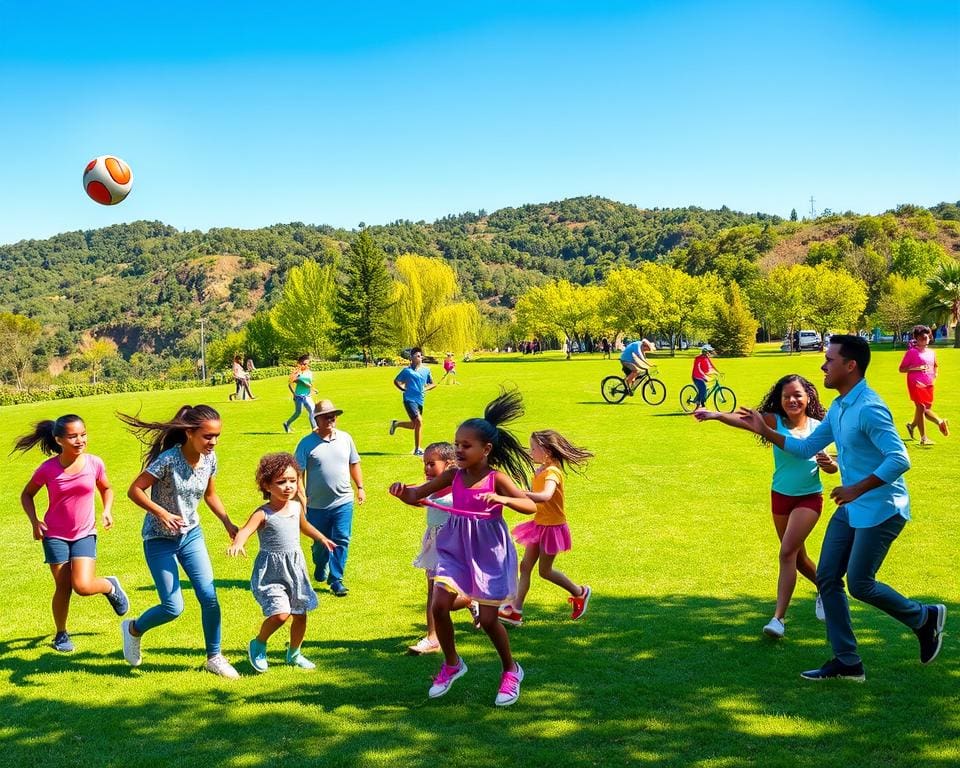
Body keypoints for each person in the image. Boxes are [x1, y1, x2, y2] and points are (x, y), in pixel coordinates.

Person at [738, 335, 946, 681]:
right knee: (827, 577)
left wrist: (855, 488)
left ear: (850, 366)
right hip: (852, 507)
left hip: (882, 508)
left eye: (829, 360)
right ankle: (847, 662)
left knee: (861, 584)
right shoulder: (839, 407)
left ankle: (923, 617)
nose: (823, 366)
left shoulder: (869, 408)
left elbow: (900, 459)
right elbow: (805, 449)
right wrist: (765, 430)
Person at [389, 388, 538, 707]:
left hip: (488, 551)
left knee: (489, 620)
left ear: (486, 449)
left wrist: (502, 499)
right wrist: (402, 492)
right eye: (457, 444)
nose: (458, 450)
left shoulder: (496, 478)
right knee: (439, 605)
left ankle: (511, 670)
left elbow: (530, 506)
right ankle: (452, 663)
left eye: (465, 445)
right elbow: (418, 495)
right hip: (455, 547)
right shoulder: (453, 475)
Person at [694, 375, 838, 638]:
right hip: (780, 497)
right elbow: (744, 421)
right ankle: (826, 589)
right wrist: (716, 415)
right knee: (798, 558)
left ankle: (778, 619)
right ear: (779, 400)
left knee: (786, 553)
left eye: (797, 395)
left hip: (808, 498)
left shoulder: (819, 427)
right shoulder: (774, 421)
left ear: (808, 397)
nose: (792, 400)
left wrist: (830, 466)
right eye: (786, 396)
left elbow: (831, 467)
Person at [118, 404, 241, 678]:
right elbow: (134, 490)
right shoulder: (168, 460)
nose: (213, 442)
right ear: (189, 433)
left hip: (191, 535)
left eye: (217, 436)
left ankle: (214, 657)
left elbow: (210, 494)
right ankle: (133, 629)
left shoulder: (210, 459)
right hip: (158, 539)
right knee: (173, 607)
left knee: (209, 597)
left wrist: (227, 522)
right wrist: (161, 513)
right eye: (208, 436)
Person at [14, 415, 129, 653]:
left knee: (83, 586)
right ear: (59, 440)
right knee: (63, 586)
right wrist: (35, 522)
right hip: (55, 535)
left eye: (83, 435)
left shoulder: (94, 463)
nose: (80, 440)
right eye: (73, 436)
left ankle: (109, 586)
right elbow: (27, 494)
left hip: (85, 533)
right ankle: (61, 634)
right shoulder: (48, 469)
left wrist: (107, 510)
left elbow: (106, 488)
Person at [226, 452, 336, 673]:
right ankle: (259, 643)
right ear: (267, 485)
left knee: (300, 615)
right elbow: (246, 530)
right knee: (281, 614)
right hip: (272, 571)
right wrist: (238, 543)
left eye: (293, 481)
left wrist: (321, 538)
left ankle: (294, 654)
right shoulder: (263, 513)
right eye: (281, 482)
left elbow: (304, 526)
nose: (288, 486)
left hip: (295, 568)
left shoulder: (296, 507)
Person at [498, 430, 594, 627]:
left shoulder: (552, 473)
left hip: (552, 528)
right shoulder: (541, 468)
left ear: (547, 451)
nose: (530, 452)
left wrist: (519, 494)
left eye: (534, 448)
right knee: (525, 566)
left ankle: (580, 592)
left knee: (545, 571)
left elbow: (545, 496)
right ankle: (516, 611)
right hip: (539, 524)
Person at [407, 442, 479, 655]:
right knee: (432, 591)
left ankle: (472, 600)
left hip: (454, 547)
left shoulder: (460, 488)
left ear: (449, 464)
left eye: (432, 464)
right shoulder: (431, 487)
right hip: (434, 543)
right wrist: (403, 492)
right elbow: (417, 498)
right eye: (425, 464)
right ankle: (432, 638)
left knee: (447, 598)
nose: (426, 469)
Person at [294, 399, 365, 597]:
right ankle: (320, 563)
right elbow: (297, 473)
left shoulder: (345, 438)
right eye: (326, 416)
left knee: (342, 538)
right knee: (320, 544)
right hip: (316, 505)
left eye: (333, 416)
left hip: (343, 501)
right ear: (316, 419)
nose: (331, 419)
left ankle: (336, 580)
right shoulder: (306, 443)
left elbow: (354, 463)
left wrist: (360, 487)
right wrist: (302, 498)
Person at [899, 324, 948, 447]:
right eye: (921, 338)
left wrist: (935, 375)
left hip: (928, 384)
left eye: (926, 338)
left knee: (925, 409)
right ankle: (924, 438)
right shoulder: (912, 352)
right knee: (921, 406)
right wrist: (915, 368)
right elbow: (901, 369)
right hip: (915, 383)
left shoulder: (932, 352)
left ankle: (912, 426)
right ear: (916, 338)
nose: (925, 340)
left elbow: (935, 366)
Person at [389, 347, 435, 456]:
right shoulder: (406, 371)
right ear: (412, 358)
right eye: (417, 356)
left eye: (420, 356)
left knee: (415, 425)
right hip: (409, 399)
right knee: (419, 421)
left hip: (420, 400)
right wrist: (402, 389)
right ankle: (417, 449)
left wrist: (425, 389)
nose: (420, 358)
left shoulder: (426, 370)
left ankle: (396, 424)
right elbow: (396, 381)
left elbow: (433, 383)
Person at [283, 355, 317, 433]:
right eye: (304, 364)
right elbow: (290, 384)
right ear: (300, 363)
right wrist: (294, 394)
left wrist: (313, 389)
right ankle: (287, 423)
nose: (305, 365)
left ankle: (314, 429)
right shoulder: (297, 373)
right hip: (299, 396)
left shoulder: (309, 373)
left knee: (312, 410)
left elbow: (310, 384)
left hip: (307, 395)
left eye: (307, 364)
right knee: (298, 413)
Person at [691, 344, 717, 408]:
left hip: (702, 376)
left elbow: (711, 366)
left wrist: (717, 372)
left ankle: (699, 401)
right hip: (696, 377)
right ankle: (701, 403)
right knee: (703, 388)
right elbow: (698, 368)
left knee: (703, 389)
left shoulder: (706, 358)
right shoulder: (698, 359)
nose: (708, 354)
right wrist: (704, 376)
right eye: (707, 352)